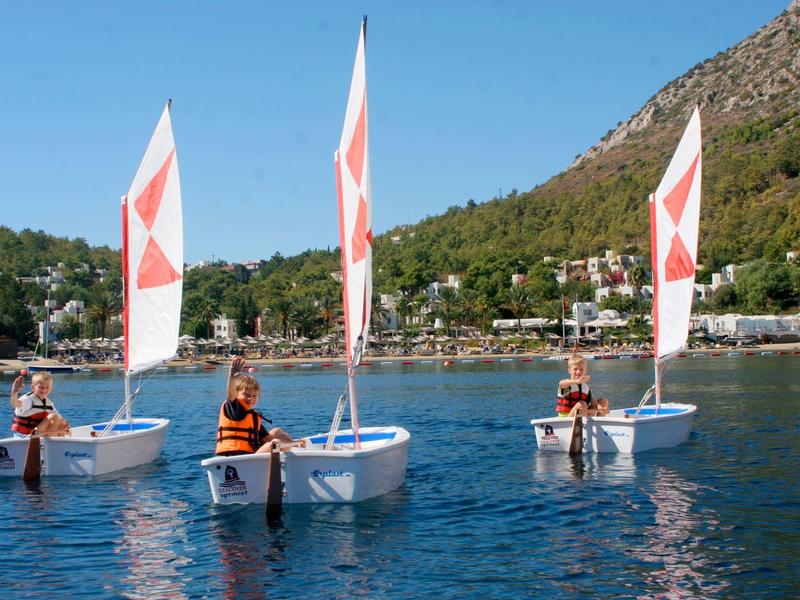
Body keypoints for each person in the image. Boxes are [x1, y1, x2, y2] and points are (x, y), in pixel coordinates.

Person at [215, 356, 305, 456]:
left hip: (250, 455)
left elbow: (267, 439)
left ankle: (295, 450)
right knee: (276, 443)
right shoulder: (234, 409)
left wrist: (296, 443)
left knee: (277, 431)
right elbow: (231, 395)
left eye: (254, 396)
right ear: (237, 394)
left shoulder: (253, 418)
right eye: (246, 395)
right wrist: (232, 377)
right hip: (236, 457)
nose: (250, 398)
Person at [10, 372, 71, 437]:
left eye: (47, 387)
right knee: (53, 416)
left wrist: (66, 425)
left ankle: (59, 441)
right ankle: (53, 441)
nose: (44, 389)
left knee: (62, 422)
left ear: (51, 389)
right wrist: (14, 393)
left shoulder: (49, 403)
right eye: (41, 387)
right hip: (24, 437)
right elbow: (15, 404)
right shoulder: (29, 400)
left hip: (36, 434)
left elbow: (60, 418)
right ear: (33, 387)